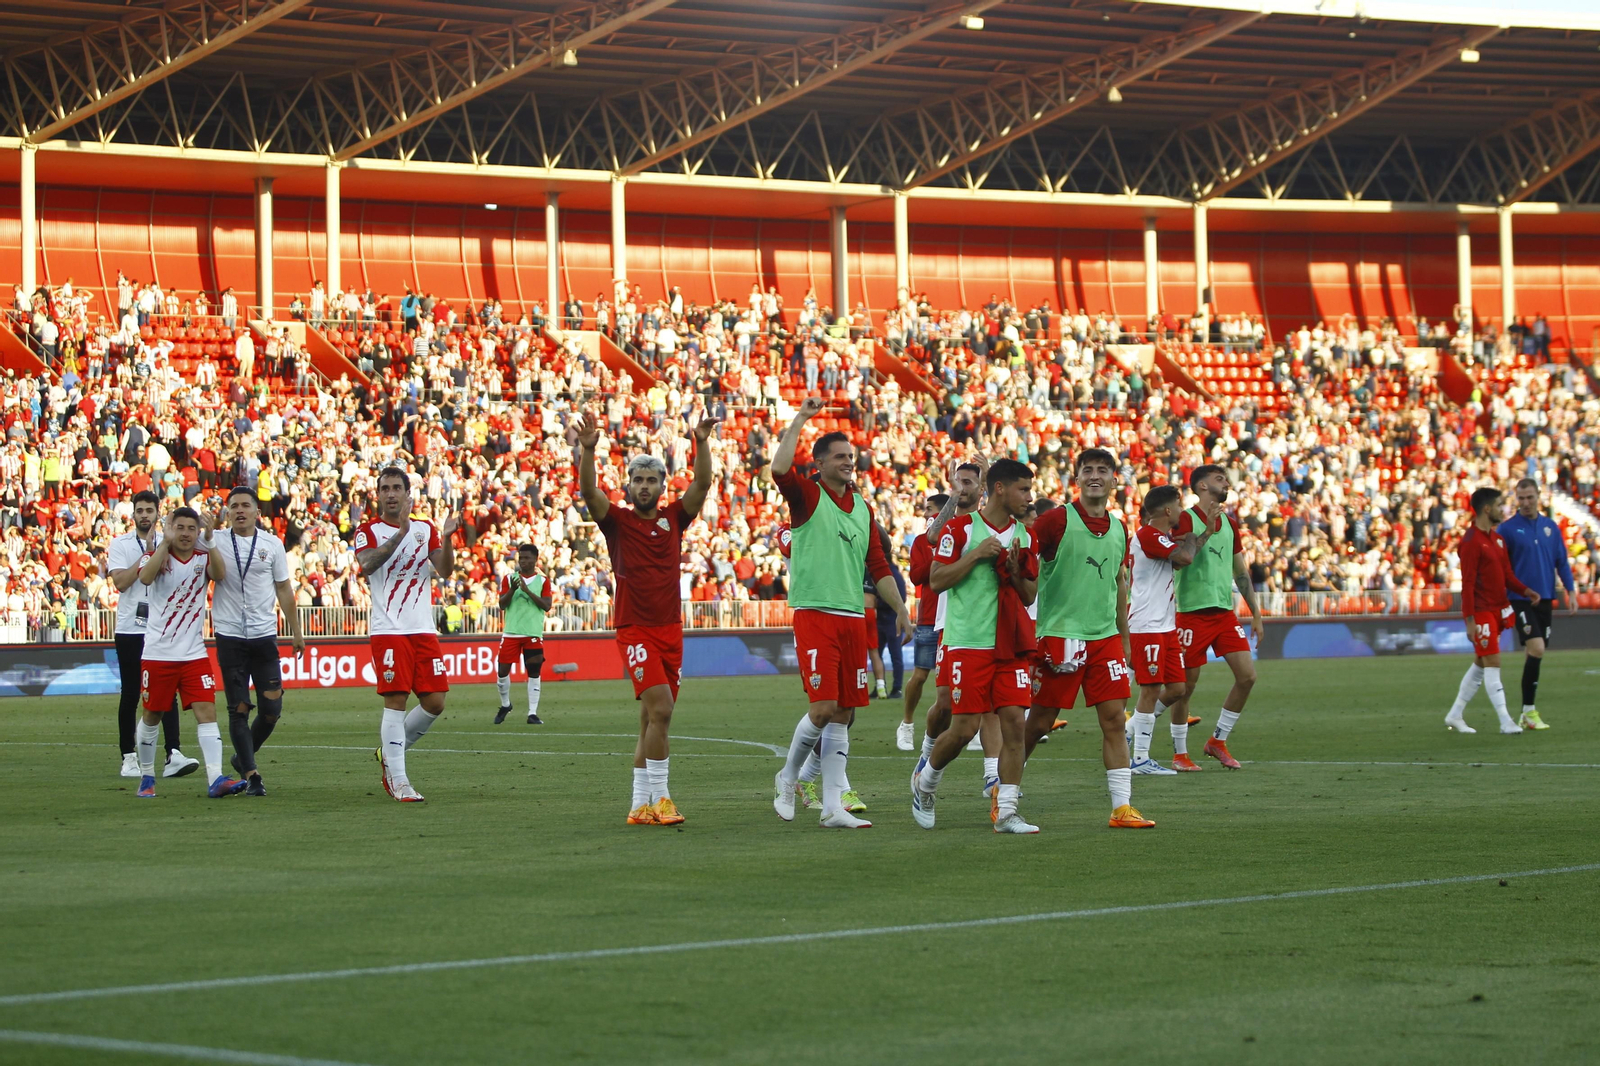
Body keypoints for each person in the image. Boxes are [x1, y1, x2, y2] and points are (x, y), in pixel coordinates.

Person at [771, 396, 913, 829]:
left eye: (851, 456)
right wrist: (800, 419)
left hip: (853, 617)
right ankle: (787, 776)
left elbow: (878, 566)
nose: (849, 462)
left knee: (846, 712)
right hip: (816, 613)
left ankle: (833, 807)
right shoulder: (807, 495)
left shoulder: (864, 509)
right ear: (819, 463)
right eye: (840, 457)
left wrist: (901, 609)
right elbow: (778, 470)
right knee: (823, 708)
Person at [576, 409, 718, 827]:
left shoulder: (674, 518)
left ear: (660, 486)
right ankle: (662, 798)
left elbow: (703, 484)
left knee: (649, 719)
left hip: (670, 629)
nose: (643, 486)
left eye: (650, 480)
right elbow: (589, 492)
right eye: (637, 480)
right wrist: (588, 452)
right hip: (634, 628)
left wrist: (702, 442)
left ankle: (639, 805)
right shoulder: (617, 522)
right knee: (663, 710)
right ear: (628, 486)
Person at [1022, 449, 1154, 828]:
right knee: (1040, 722)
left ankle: (1122, 807)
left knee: (1113, 720)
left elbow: (1118, 584)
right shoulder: (1056, 520)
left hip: (1105, 638)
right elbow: (1025, 563)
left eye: (1103, 470)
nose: (1095, 476)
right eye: (1088, 470)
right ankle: (1005, 783)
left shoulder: (1119, 527)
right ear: (1076, 479)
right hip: (1062, 636)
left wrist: (1125, 641)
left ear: (1115, 480)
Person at [910, 458, 1039, 833]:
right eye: (1023, 489)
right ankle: (927, 782)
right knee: (963, 728)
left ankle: (1007, 811)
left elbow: (1030, 595)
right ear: (1000, 488)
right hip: (968, 642)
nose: (1029, 498)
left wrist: (1015, 572)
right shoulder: (960, 528)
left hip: (1010, 645)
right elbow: (936, 580)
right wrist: (976, 555)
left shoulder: (1024, 535)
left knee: (1015, 724)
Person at [354, 467, 459, 802]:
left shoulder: (425, 529)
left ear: (406, 492)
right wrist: (399, 533)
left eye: (396, 488)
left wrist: (448, 538)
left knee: (435, 702)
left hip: (422, 628)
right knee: (396, 700)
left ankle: (389, 751)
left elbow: (444, 570)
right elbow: (367, 564)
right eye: (385, 488)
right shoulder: (368, 530)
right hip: (389, 630)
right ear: (378, 494)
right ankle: (399, 780)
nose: (390, 494)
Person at [133, 507, 244, 799]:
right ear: (169, 528)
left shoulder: (203, 555)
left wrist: (209, 538)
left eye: (190, 528)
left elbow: (220, 574)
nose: (185, 533)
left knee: (207, 712)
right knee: (151, 715)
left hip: (194, 654)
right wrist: (164, 544)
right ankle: (146, 777)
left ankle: (216, 778)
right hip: (158, 653)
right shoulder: (157, 556)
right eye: (179, 527)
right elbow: (144, 578)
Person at [914, 459, 1006, 797]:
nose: (963, 486)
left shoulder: (989, 522)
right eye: (958, 481)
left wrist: (990, 475)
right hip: (949, 623)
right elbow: (932, 535)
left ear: (983, 488)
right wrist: (956, 495)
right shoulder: (948, 521)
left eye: (970, 482)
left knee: (992, 706)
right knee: (945, 704)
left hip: (985, 623)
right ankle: (926, 754)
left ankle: (992, 777)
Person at [1168, 465, 1264, 770]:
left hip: (1224, 614)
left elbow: (1240, 572)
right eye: (1219, 478)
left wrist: (1256, 614)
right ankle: (1180, 754)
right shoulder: (1185, 519)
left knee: (1247, 676)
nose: (1226, 482)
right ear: (1201, 486)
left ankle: (1217, 741)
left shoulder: (1231, 524)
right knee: (1185, 687)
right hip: (1191, 613)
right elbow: (1180, 562)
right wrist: (1206, 532)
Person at [211, 487, 304, 796]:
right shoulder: (217, 542)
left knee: (271, 709)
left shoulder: (272, 544)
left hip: (264, 635)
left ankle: (242, 756)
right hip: (230, 635)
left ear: (256, 512)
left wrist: (297, 631)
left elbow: (284, 589)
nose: (239, 510)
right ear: (227, 512)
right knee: (238, 709)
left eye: (245, 505)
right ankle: (253, 775)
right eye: (234, 506)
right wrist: (207, 535)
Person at [106, 491, 198, 780]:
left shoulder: (170, 543)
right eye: (140, 510)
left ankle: (174, 753)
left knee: (167, 691)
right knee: (131, 693)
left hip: (160, 628)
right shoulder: (119, 545)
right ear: (132, 514)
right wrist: (147, 555)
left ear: (158, 514)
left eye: (149, 510)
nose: (144, 515)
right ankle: (129, 757)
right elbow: (121, 583)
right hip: (129, 629)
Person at [1124, 483, 1205, 774]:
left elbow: (1181, 560)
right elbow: (1185, 557)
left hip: (1165, 625)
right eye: (1179, 506)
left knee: (1177, 688)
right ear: (1169, 510)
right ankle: (1141, 759)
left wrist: (1199, 536)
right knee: (1150, 690)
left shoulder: (1160, 538)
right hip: (1148, 625)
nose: (1182, 512)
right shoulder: (1147, 535)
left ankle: (1130, 729)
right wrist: (1193, 536)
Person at [1447, 487, 1540, 735]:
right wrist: (1469, 620)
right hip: (1481, 612)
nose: (1503, 509)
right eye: (1499, 505)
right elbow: (1466, 584)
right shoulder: (1470, 543)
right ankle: (1505, 720)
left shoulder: (1497, 540)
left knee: (1481, 662)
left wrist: (1526, 590)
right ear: (1487, 509)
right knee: (1493, 662)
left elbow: (1507, 575)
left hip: (1499, 610)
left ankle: (1455, 714)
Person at [1497, 478, 1575, 731]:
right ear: (1516, 499)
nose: (1526, 503)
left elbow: (1561, 561)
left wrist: (1571, 590)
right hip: (1519, 599)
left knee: (1534, 654)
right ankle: (1528, 711)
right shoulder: (1507, 530)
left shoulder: (1550, 527)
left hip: (1545, 598)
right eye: (1521, 499)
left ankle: (1526, 714)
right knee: (1537, 648)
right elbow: (1498, 567)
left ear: (1538, 496)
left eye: (1530, 497)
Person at [897, 494, 947, 751]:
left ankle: (968, 729)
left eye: (931, 510)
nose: (927, 515)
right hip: (929, 618)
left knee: (955, 680)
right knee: (920, 675)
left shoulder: (962, 536)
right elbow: (917, 576)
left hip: (955, 619)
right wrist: (941, 554)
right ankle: (906, 724)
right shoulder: (920, 542)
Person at [494, 543, 554, 726]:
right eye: (521, 558)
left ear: (536, 559)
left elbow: (546, 605)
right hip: (512, 632)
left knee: (534, 671)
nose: (524, 562)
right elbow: (502, 605)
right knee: (502, 671)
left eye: (527, 558)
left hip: (532, 633)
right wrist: (512, 590)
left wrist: (527, 592)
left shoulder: (543, 581)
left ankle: (532, 713)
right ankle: (505, 705)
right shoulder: (509, 579)